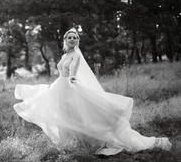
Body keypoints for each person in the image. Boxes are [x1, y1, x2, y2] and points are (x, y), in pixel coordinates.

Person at [13, 28, 172, 155]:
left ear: (77, 41)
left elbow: (74, 69)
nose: (73, 39)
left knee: (75, 118)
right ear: (65, 40)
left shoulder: (75, 55)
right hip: (59, 86)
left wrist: (72, 78)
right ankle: (68, 146)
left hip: (69, 86)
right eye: (70, 37)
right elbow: (61, 70)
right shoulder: (64, 54)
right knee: (63, 116)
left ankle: (85, 144)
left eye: (75, 37)